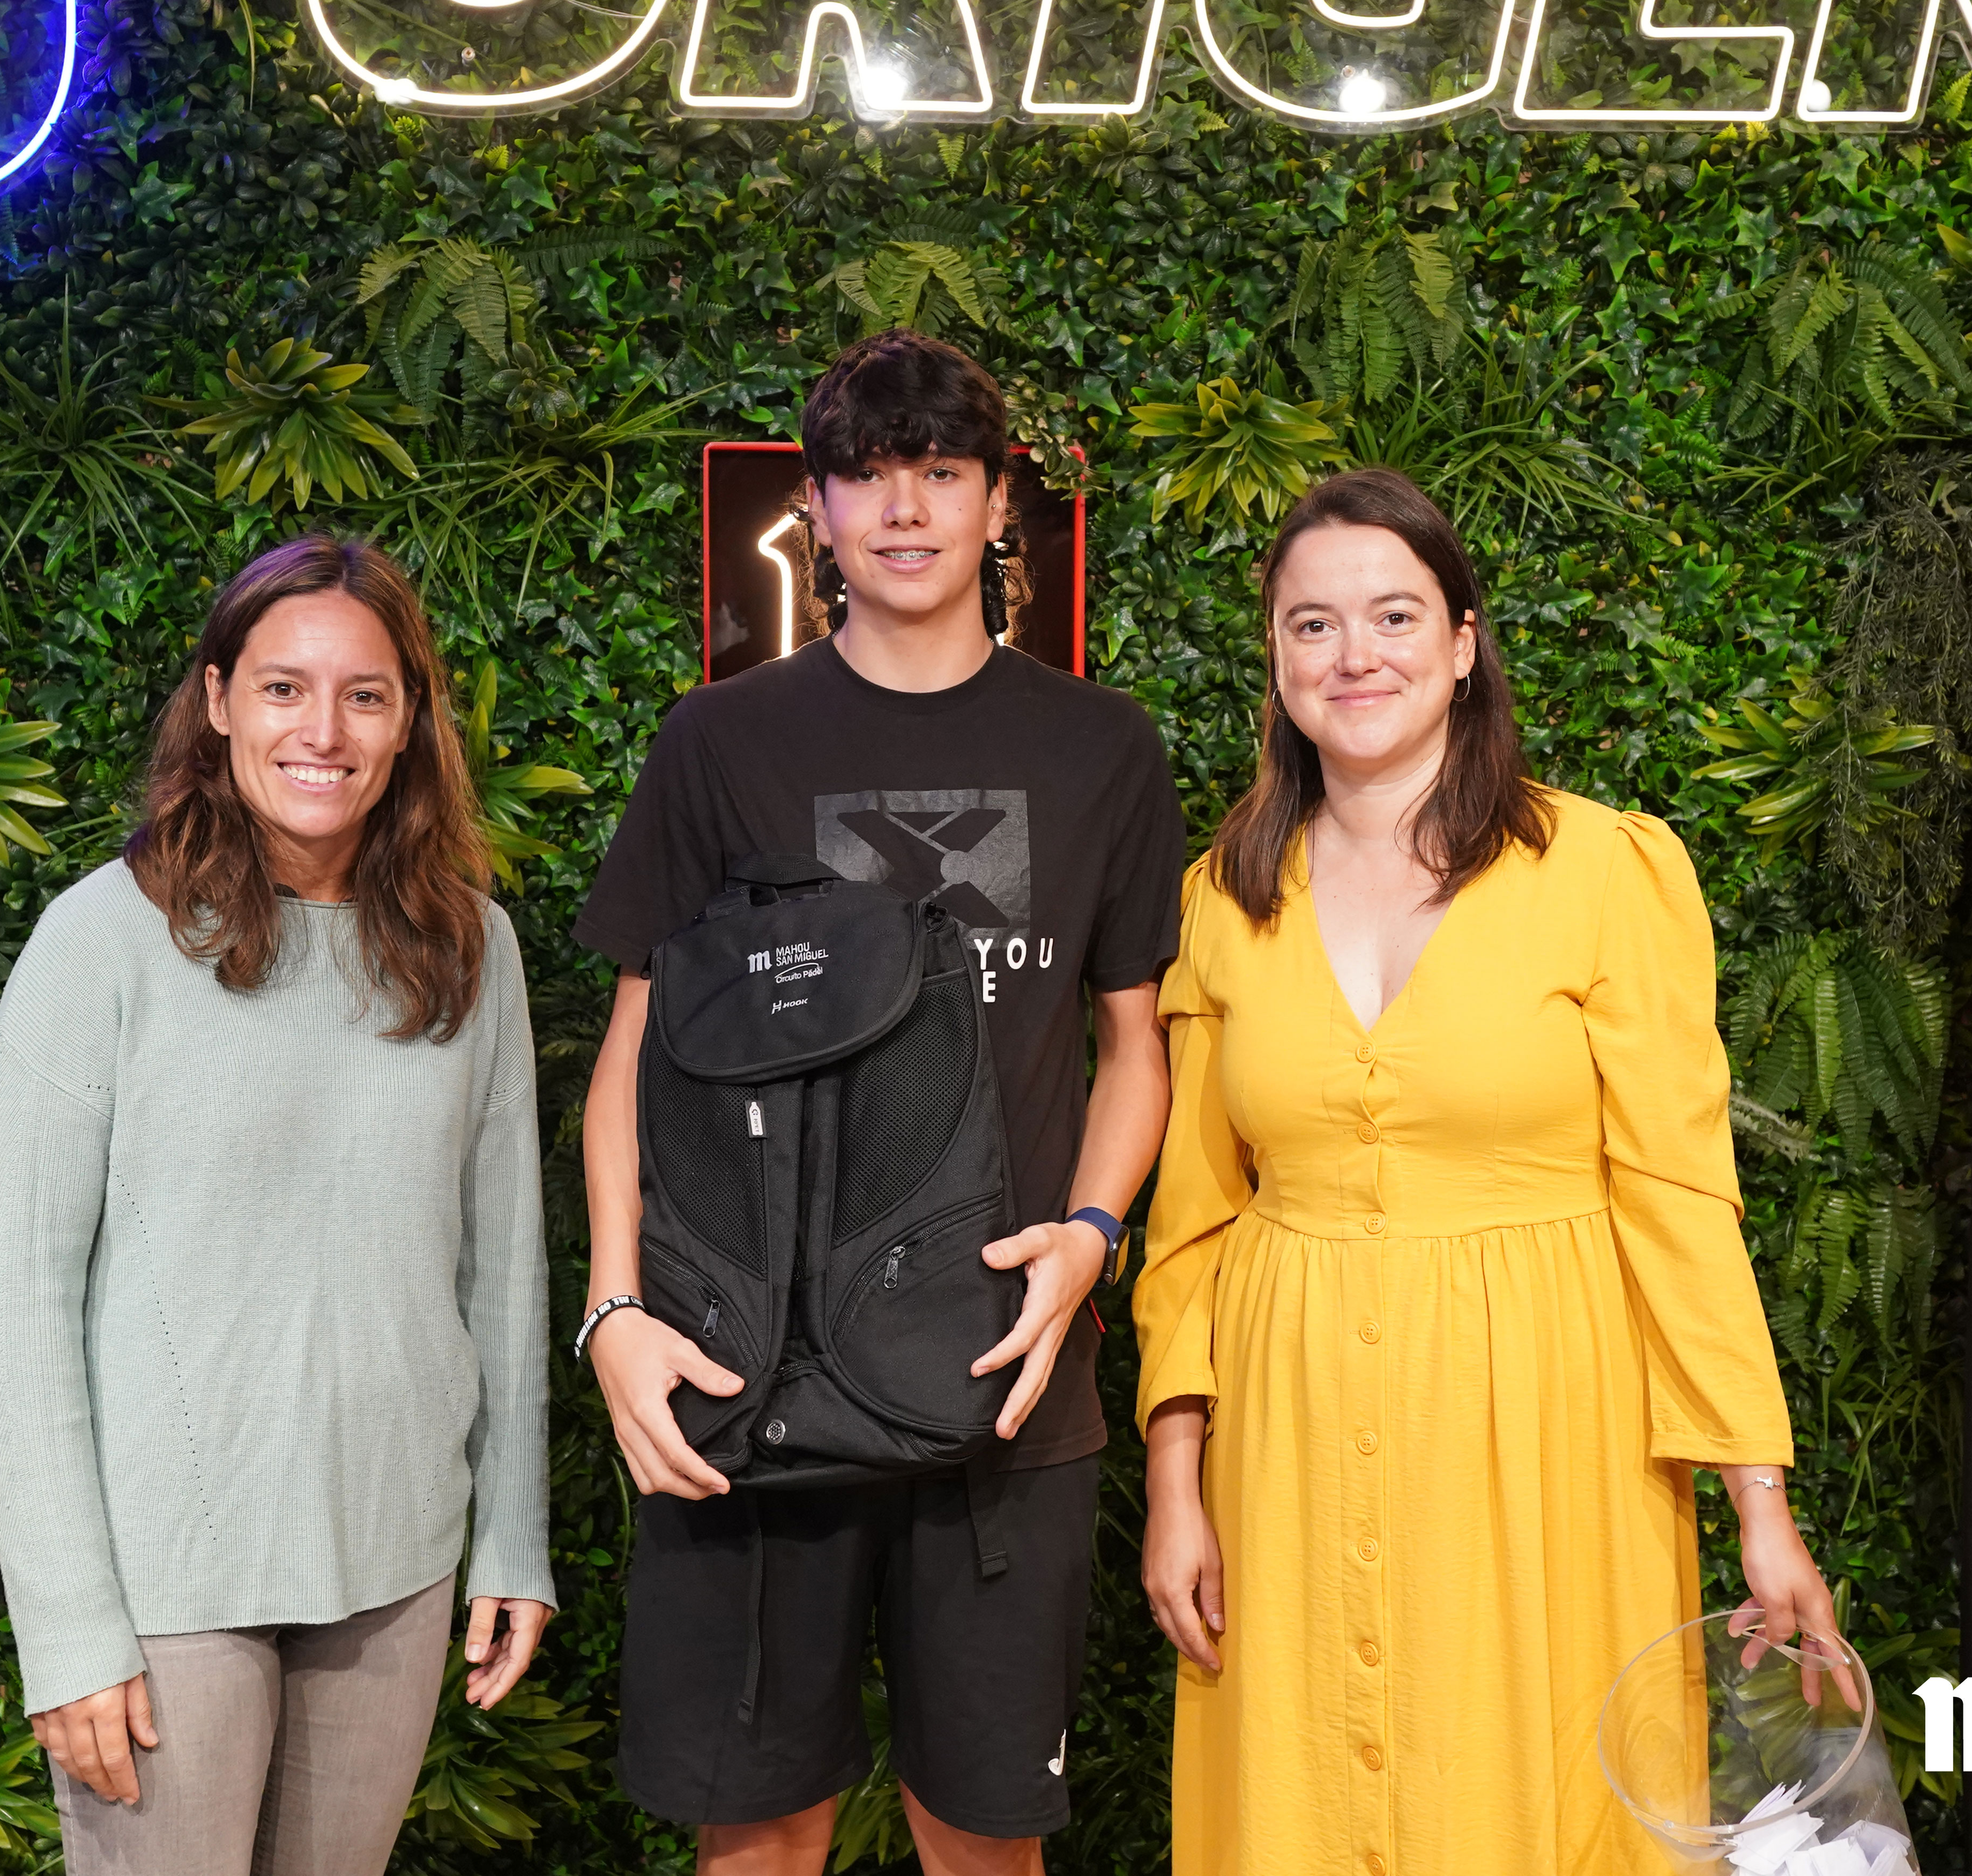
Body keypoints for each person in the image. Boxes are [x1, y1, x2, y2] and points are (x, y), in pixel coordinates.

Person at [1134, 467, 1845, 1876]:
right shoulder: (1223, 896)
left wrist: (1759, 1504)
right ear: (1276, 659)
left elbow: (1680, 1197)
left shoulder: (1605, 871)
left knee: (1536, 1794)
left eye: (1395, 615)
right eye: (1313, 624)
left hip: (1549, 1431)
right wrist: (1175, 1478)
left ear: (1464, 643)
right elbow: (1195, 1219)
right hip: (1289, 1445)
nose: (1355, 654)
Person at [572, 330, 1186, 1876]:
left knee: (982, 1837)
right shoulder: (719, 742)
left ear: (998, 506)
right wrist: (613, 1308)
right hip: (749, 1379)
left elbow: (1136, 1046)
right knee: (758, 1832)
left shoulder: (1103, 749)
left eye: (942, 472)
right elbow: (632, 1052)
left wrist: (1093, 1234)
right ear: (818, 512)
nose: (905, 509)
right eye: (867, 475)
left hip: (1005, 1381)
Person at [0, 534, 554, 1875]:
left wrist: (513, 1534)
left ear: (410, 721)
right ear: (220, 700)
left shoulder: (474, 948)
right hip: (166, 1582)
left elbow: (508, 1267)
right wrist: (65, 1623)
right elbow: (20, 1303)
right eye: (285, 688)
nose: (323, 732)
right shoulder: (100, 941)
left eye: (365, 695)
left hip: (397, 1562)